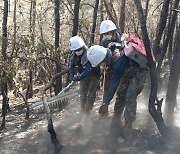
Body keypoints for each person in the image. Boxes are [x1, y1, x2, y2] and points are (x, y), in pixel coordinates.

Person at [98, 20, 149, 139]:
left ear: (114, 30)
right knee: (120, 95)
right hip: (124, 72)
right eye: (104, 33)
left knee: (130, 96)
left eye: (108, 32)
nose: (106, 35)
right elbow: (103, 57)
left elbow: (115, 80)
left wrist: (106, 102)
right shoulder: (105, 42)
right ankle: (115, 125)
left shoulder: (124, 40)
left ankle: (128, 130)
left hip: (139, 72)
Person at [68, 35, 100, 113]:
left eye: (79, 49)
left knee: (91, 95)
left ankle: (87, 113)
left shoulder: (89, 53)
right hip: (83, 76)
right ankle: (83, 111)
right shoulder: (74, 54)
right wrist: (72, 76)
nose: (78, 51)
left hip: (94, 75)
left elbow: (89, 69)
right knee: (83, 94)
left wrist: (79, 77)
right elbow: (71, 65)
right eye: (76, 50)